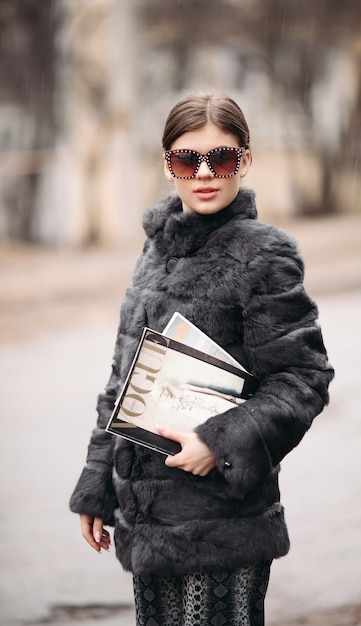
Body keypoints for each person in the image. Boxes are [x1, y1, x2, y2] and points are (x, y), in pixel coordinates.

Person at [70, 92, 334, 626]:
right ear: (169, 165)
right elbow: (123, 378)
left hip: (222, 523)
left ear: (246, 160)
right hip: (147, 524)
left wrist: (219, 443)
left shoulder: (264, 254)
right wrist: (97, 484)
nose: (206, 173)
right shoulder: (156, 253)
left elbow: (303, 378)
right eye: (189, 160)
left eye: (223, 158)